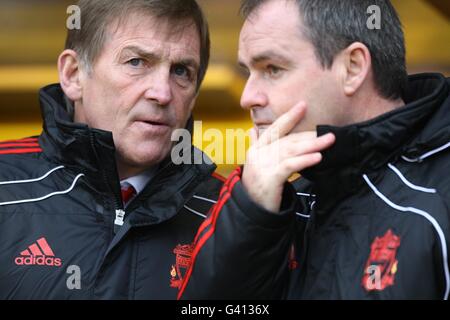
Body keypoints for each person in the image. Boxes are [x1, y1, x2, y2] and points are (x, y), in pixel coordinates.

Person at [179, 0, 450, 300]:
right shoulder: (279, 200)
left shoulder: (438, 202)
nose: (247, 97)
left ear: (352, 68)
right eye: (248, 73)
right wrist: (251, 215)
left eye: (272, 69)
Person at [0, 0, 224, 299]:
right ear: (73, 74)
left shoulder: (228, 214)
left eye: (181, 71)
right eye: (136, 62)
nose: (162, 92)